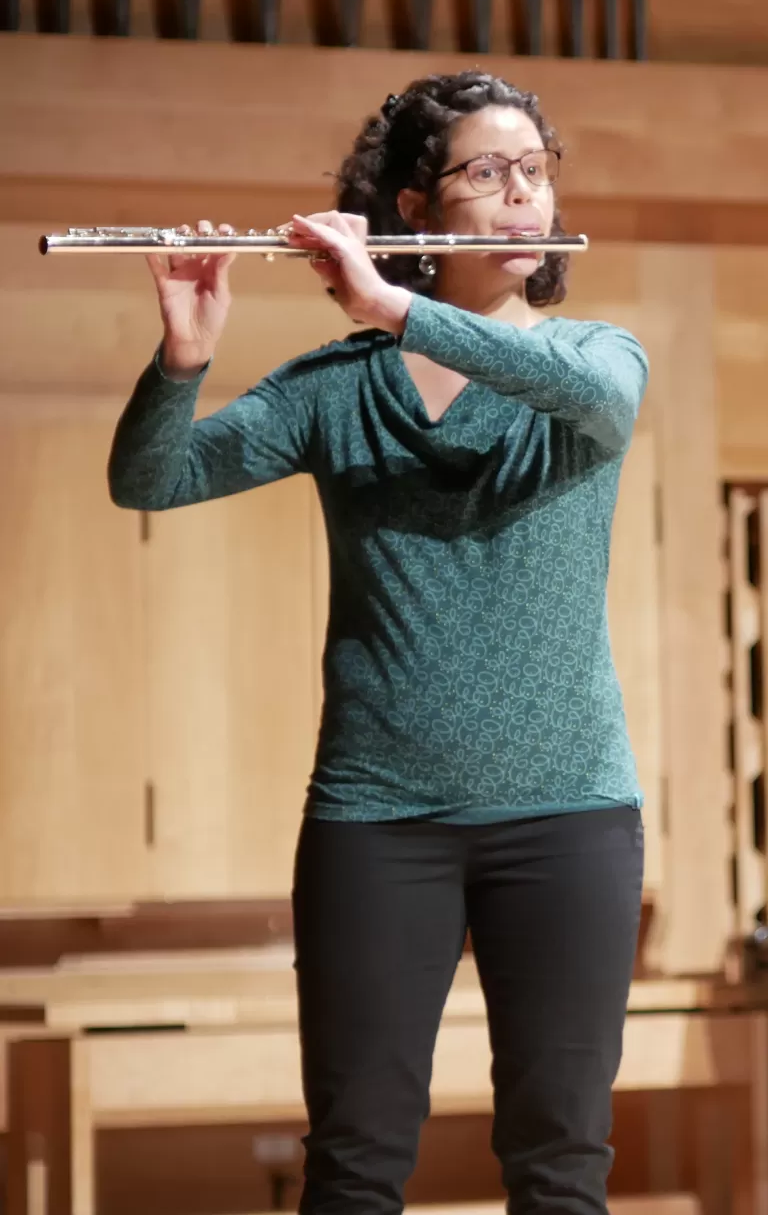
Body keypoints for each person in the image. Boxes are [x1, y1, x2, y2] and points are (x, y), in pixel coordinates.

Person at [107, 70, 650, 1215]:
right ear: (416, 207)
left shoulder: (599, 359)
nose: (521, 197)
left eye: (536, 171)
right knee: (354, 1164)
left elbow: (579, 396)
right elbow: (149, 477)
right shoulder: (333, 390)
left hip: (567, 814)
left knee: (562, 1164)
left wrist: (397, 305)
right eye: (487, 172)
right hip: (377, 817)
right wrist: (184, 360)